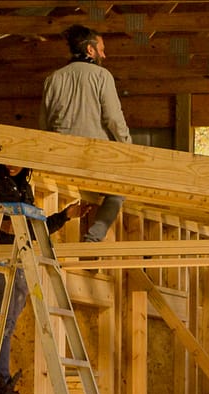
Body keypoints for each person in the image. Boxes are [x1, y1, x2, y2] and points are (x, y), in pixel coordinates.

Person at [0, 163, 84, 394]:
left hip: (18, 258)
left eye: (18, 162)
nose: (13, 166)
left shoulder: (23, 188)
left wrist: (65, 216)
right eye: (8, 161)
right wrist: (1, 225)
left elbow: (34, 230)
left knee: (8, 323)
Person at [40, 24, 131, 243]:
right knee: (117, 192)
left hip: (59, 156)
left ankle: (48, 238)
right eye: (101, 49)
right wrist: (127, 147)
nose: (104, 54)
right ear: (90, 50)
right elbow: (113, 119)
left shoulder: (53, 78)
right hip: (93, 156)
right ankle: (93, 239)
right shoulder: (102, 76)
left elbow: (43, 123)